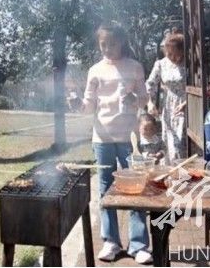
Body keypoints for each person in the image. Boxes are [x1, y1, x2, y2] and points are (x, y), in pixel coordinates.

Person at [82, 21, 151, 264]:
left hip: (129, 138)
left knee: (137, 187)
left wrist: (136, 98)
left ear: (121, 42)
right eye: (103, 44)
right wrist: (80, 105)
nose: (107, 48)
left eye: (111, 44)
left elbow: (144, 99)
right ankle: (111, 241)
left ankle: (139, 244)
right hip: (102, 137)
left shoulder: (134, 67)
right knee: (104, 189)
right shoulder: (95, 70)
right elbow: (89, 102)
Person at [146, 31, 187, 162]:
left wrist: (187, 103)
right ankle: (172, 172)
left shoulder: (189, 64)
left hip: (187, 103)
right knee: (170, 141)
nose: (173, 58)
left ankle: (186, 172)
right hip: (169, 105)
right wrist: (150, 102)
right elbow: (150, 83)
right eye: (169, 54)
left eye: (177, 54)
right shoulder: (161, 64)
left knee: (182, 141)